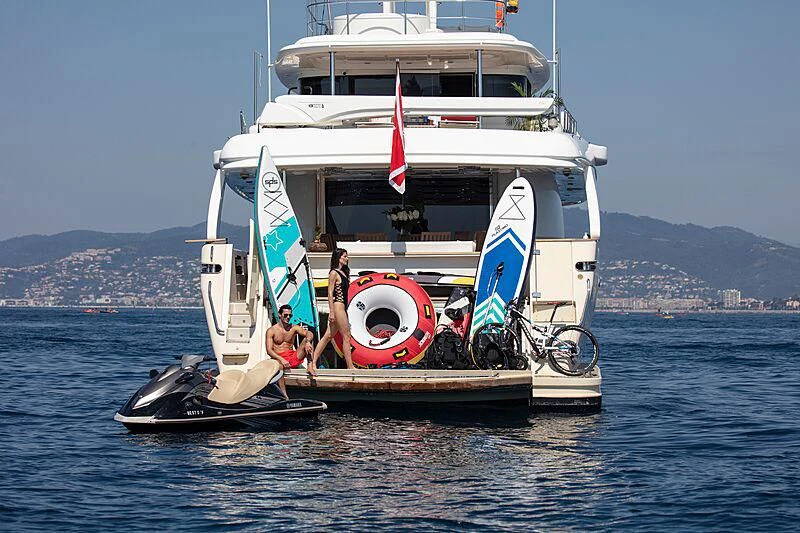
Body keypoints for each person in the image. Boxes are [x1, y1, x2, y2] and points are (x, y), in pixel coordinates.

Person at [309, 248, 354, 375]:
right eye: (345, 256)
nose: (347, 258)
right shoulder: (334, 273)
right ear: (338, 257)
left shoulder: (343, 273)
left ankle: (313, 362)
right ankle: (350, 366)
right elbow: (330, 292)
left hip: (342, 307)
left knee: (328, 336)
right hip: (338, 306)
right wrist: (332, 312)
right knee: (346, 336)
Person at [266, 304, 314, 398]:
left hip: (292, 357)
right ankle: (285, 396)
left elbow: (309, 333)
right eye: (285, 315)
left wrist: (308, 341)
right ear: (280, 315)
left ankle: (310, 366)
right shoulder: (272, 330)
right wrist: (281, 359)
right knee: (278, 365)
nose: (288, 317)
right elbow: (269, 350)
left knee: (307, 341)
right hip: (279, 359)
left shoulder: (294, 328)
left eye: (290, 315)